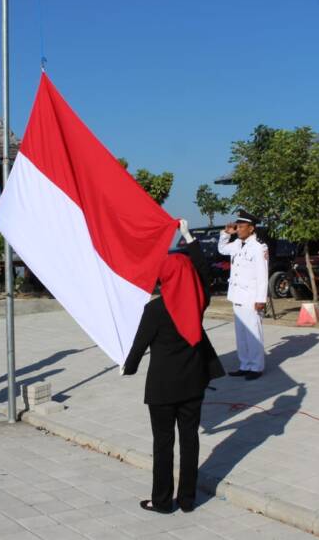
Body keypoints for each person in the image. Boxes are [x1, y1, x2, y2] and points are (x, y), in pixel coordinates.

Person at [123, 219, 226, 514]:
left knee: (163, 444)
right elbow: (205, 276)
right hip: (194, 384)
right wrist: (189, 237)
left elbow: (138, 348)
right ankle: (188, 500)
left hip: (162, 389)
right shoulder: (198, 301)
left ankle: (163, 500)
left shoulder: (154, 310)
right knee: (190, 441)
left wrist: (127, 368)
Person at [217, 210, 268, 380]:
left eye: (241, 226)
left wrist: (261, 299)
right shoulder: (238, 244)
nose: (238, 229)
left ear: (251, 228)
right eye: (237, 226)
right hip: (237, 296)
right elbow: (222, 249)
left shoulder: (259, 247)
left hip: (251, 297)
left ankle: (256, 367)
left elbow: (262, 275)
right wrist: (226, 233)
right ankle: (245, 364)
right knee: (241, 334)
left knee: (254, 334)